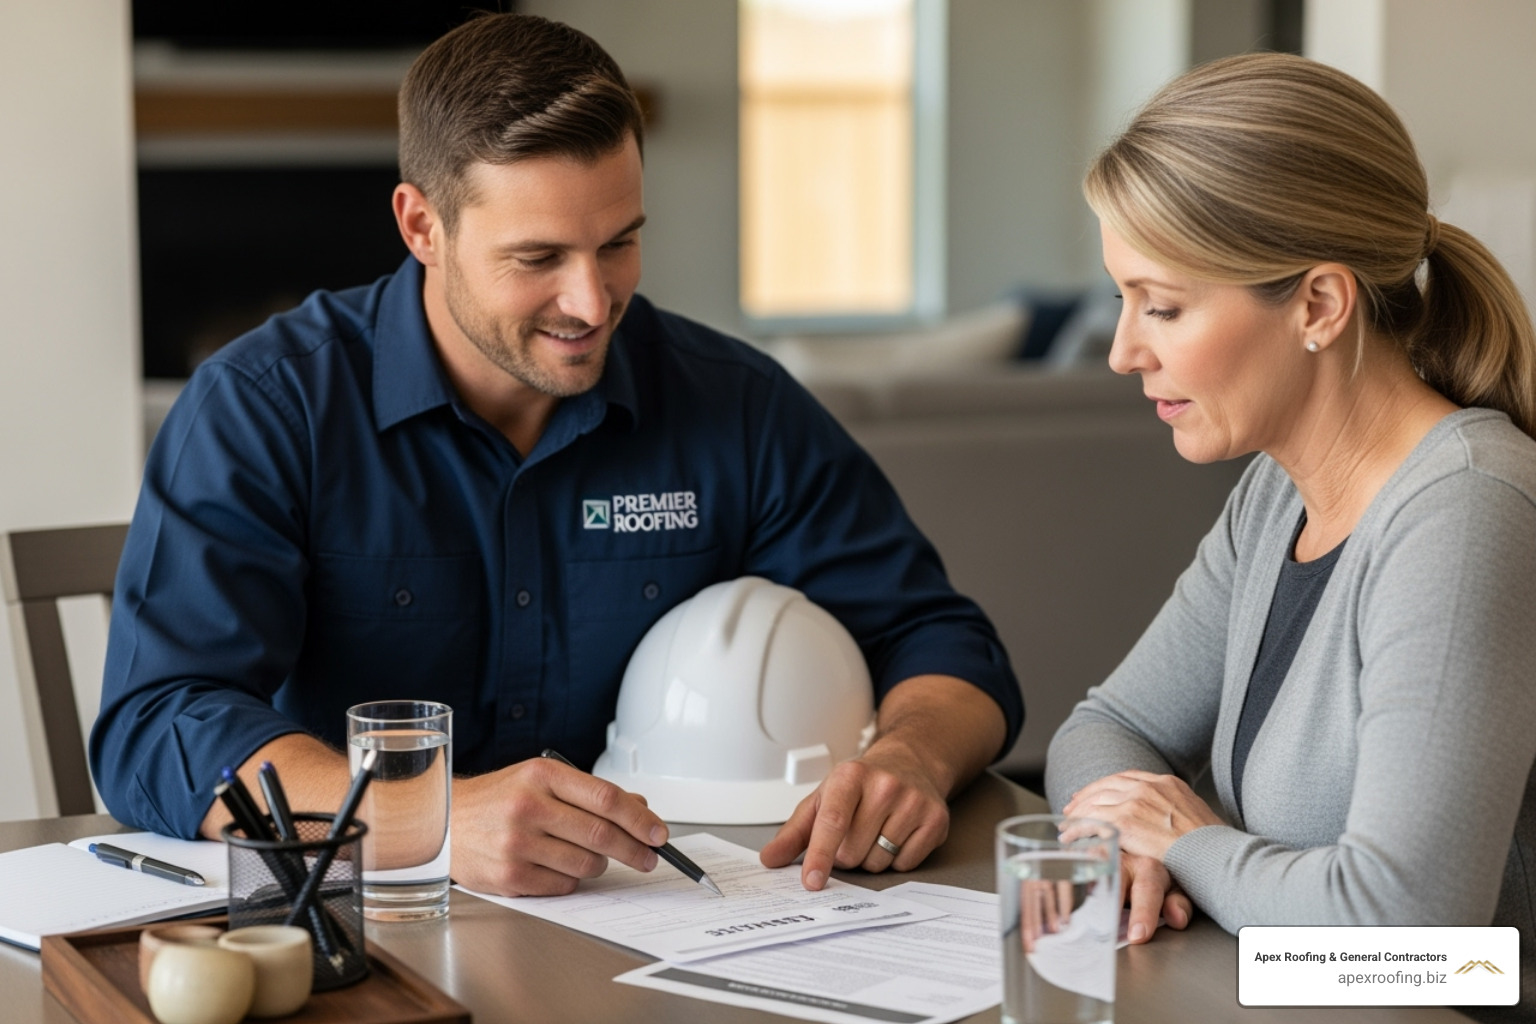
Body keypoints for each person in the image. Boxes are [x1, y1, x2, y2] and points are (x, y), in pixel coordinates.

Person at [90, 13, 1021, 899]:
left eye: (619, 243)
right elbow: (157, 722)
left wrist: (908, 758)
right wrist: (430, 815)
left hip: (667, 921)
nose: (590, 301)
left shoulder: (732, 404)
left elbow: (943, 646)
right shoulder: (265, 408)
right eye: (537, 258)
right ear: (422, 227)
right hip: (366, 922)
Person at [1045, 52, 1536, 1020]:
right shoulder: (1279, 493)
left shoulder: (1468, 513)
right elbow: (1101, 727)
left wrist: (1188, 844)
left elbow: (1422, 947)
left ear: (1318, 304)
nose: (1122, 350)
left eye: (1165, 305)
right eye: (1122, 298)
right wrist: (1121, 839)